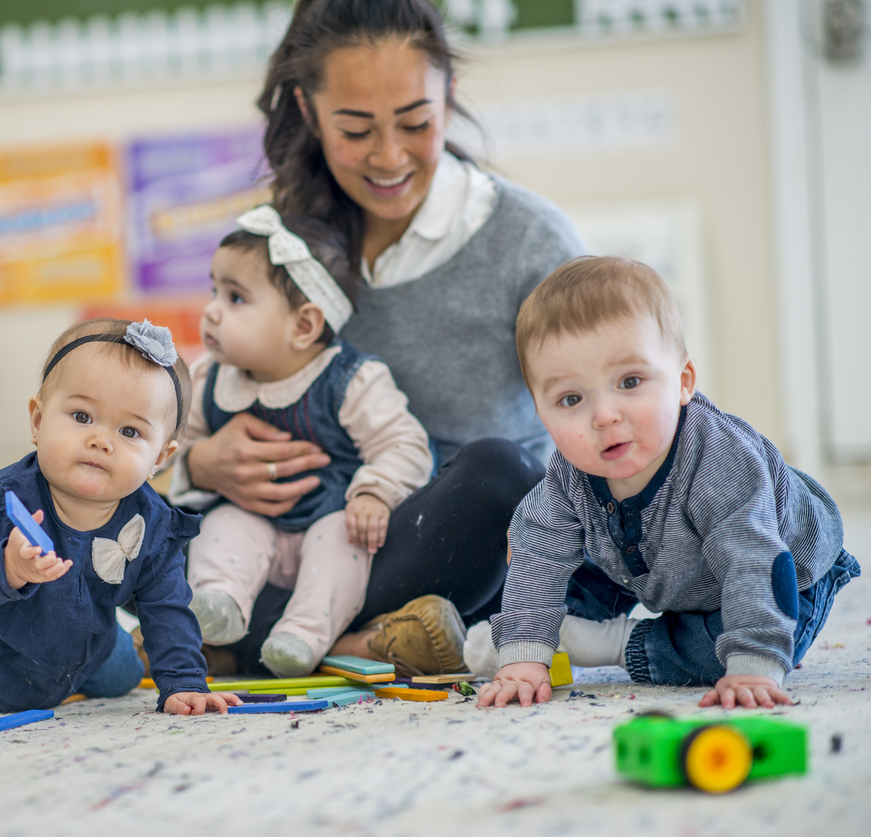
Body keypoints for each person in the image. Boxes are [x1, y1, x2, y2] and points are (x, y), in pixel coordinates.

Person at [169, 0, 586, 674]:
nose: (389, 157)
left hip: (441, 544)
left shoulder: (531, 242)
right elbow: (203, 388)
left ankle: (261, 639)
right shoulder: (283, 241)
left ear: (448, 99)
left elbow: (602, 413)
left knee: (502, 474)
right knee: (143, 527)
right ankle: (359, 642)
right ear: (307, 111)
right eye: (356, 129)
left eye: (415, 123)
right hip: (286, 539)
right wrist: (200, 463)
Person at [474, 256, 861, 709]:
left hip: (780, 565)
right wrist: (522, 657)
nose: (604, 416)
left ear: (683, 381)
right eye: (571, 398)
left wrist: (752, 666)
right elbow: (537, 551)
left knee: (732, 653)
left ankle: (617, 642)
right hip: (653, 557)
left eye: (630, 381)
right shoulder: (569, 473)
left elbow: (753, 560)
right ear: (541, 413)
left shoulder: (721, 462)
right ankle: (539, 636)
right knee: (558, 559)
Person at [0, 319, 240, 716]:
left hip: (75, 637)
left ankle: (108, 648)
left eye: (130, 431)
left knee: (124, 678)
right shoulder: (4, 499)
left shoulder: (153, 525)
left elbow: (167, 607)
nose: (101, 441)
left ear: (160, 458)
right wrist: (8, 566)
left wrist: (184, 682)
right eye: (82, 416)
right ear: (38, 421)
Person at [180, 206, 433, 677]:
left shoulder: (351, 380)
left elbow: (405, 445)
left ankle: (301, 636)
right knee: (223, 525)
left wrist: (374, 490)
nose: (211, 309)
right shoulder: (208, 379)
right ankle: (219, 603)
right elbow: (169, 449)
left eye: (235, 297)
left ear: (303, 326)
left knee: (343, 545)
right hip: (253, 523)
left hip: (330, 516)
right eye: (215, 290)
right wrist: (196, 460)